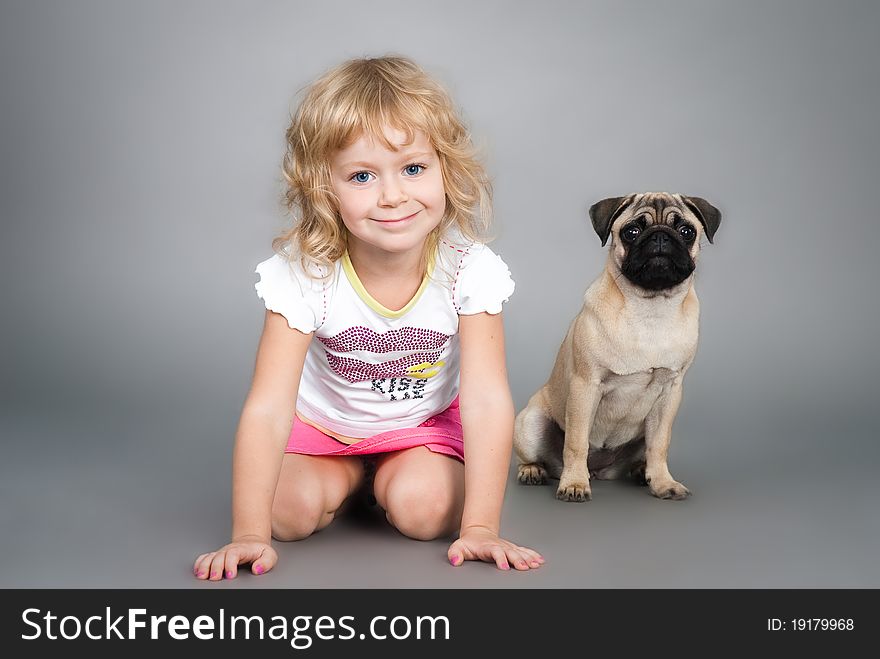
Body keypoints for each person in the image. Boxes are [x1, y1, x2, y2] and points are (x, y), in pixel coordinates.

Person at [193, 56, 543, 580]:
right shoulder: (306, 274)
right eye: (361, 175)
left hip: (419, 428)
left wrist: (481, 527)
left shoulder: (468, 267)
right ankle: (350, 475)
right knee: (281, 516)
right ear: (323, 188)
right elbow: (268, 406)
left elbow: (487, 397)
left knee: (426, 513)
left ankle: (397, 475)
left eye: (414, 168)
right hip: (324, 430)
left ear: (447, 167)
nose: (393, 195)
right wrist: (248, 535)